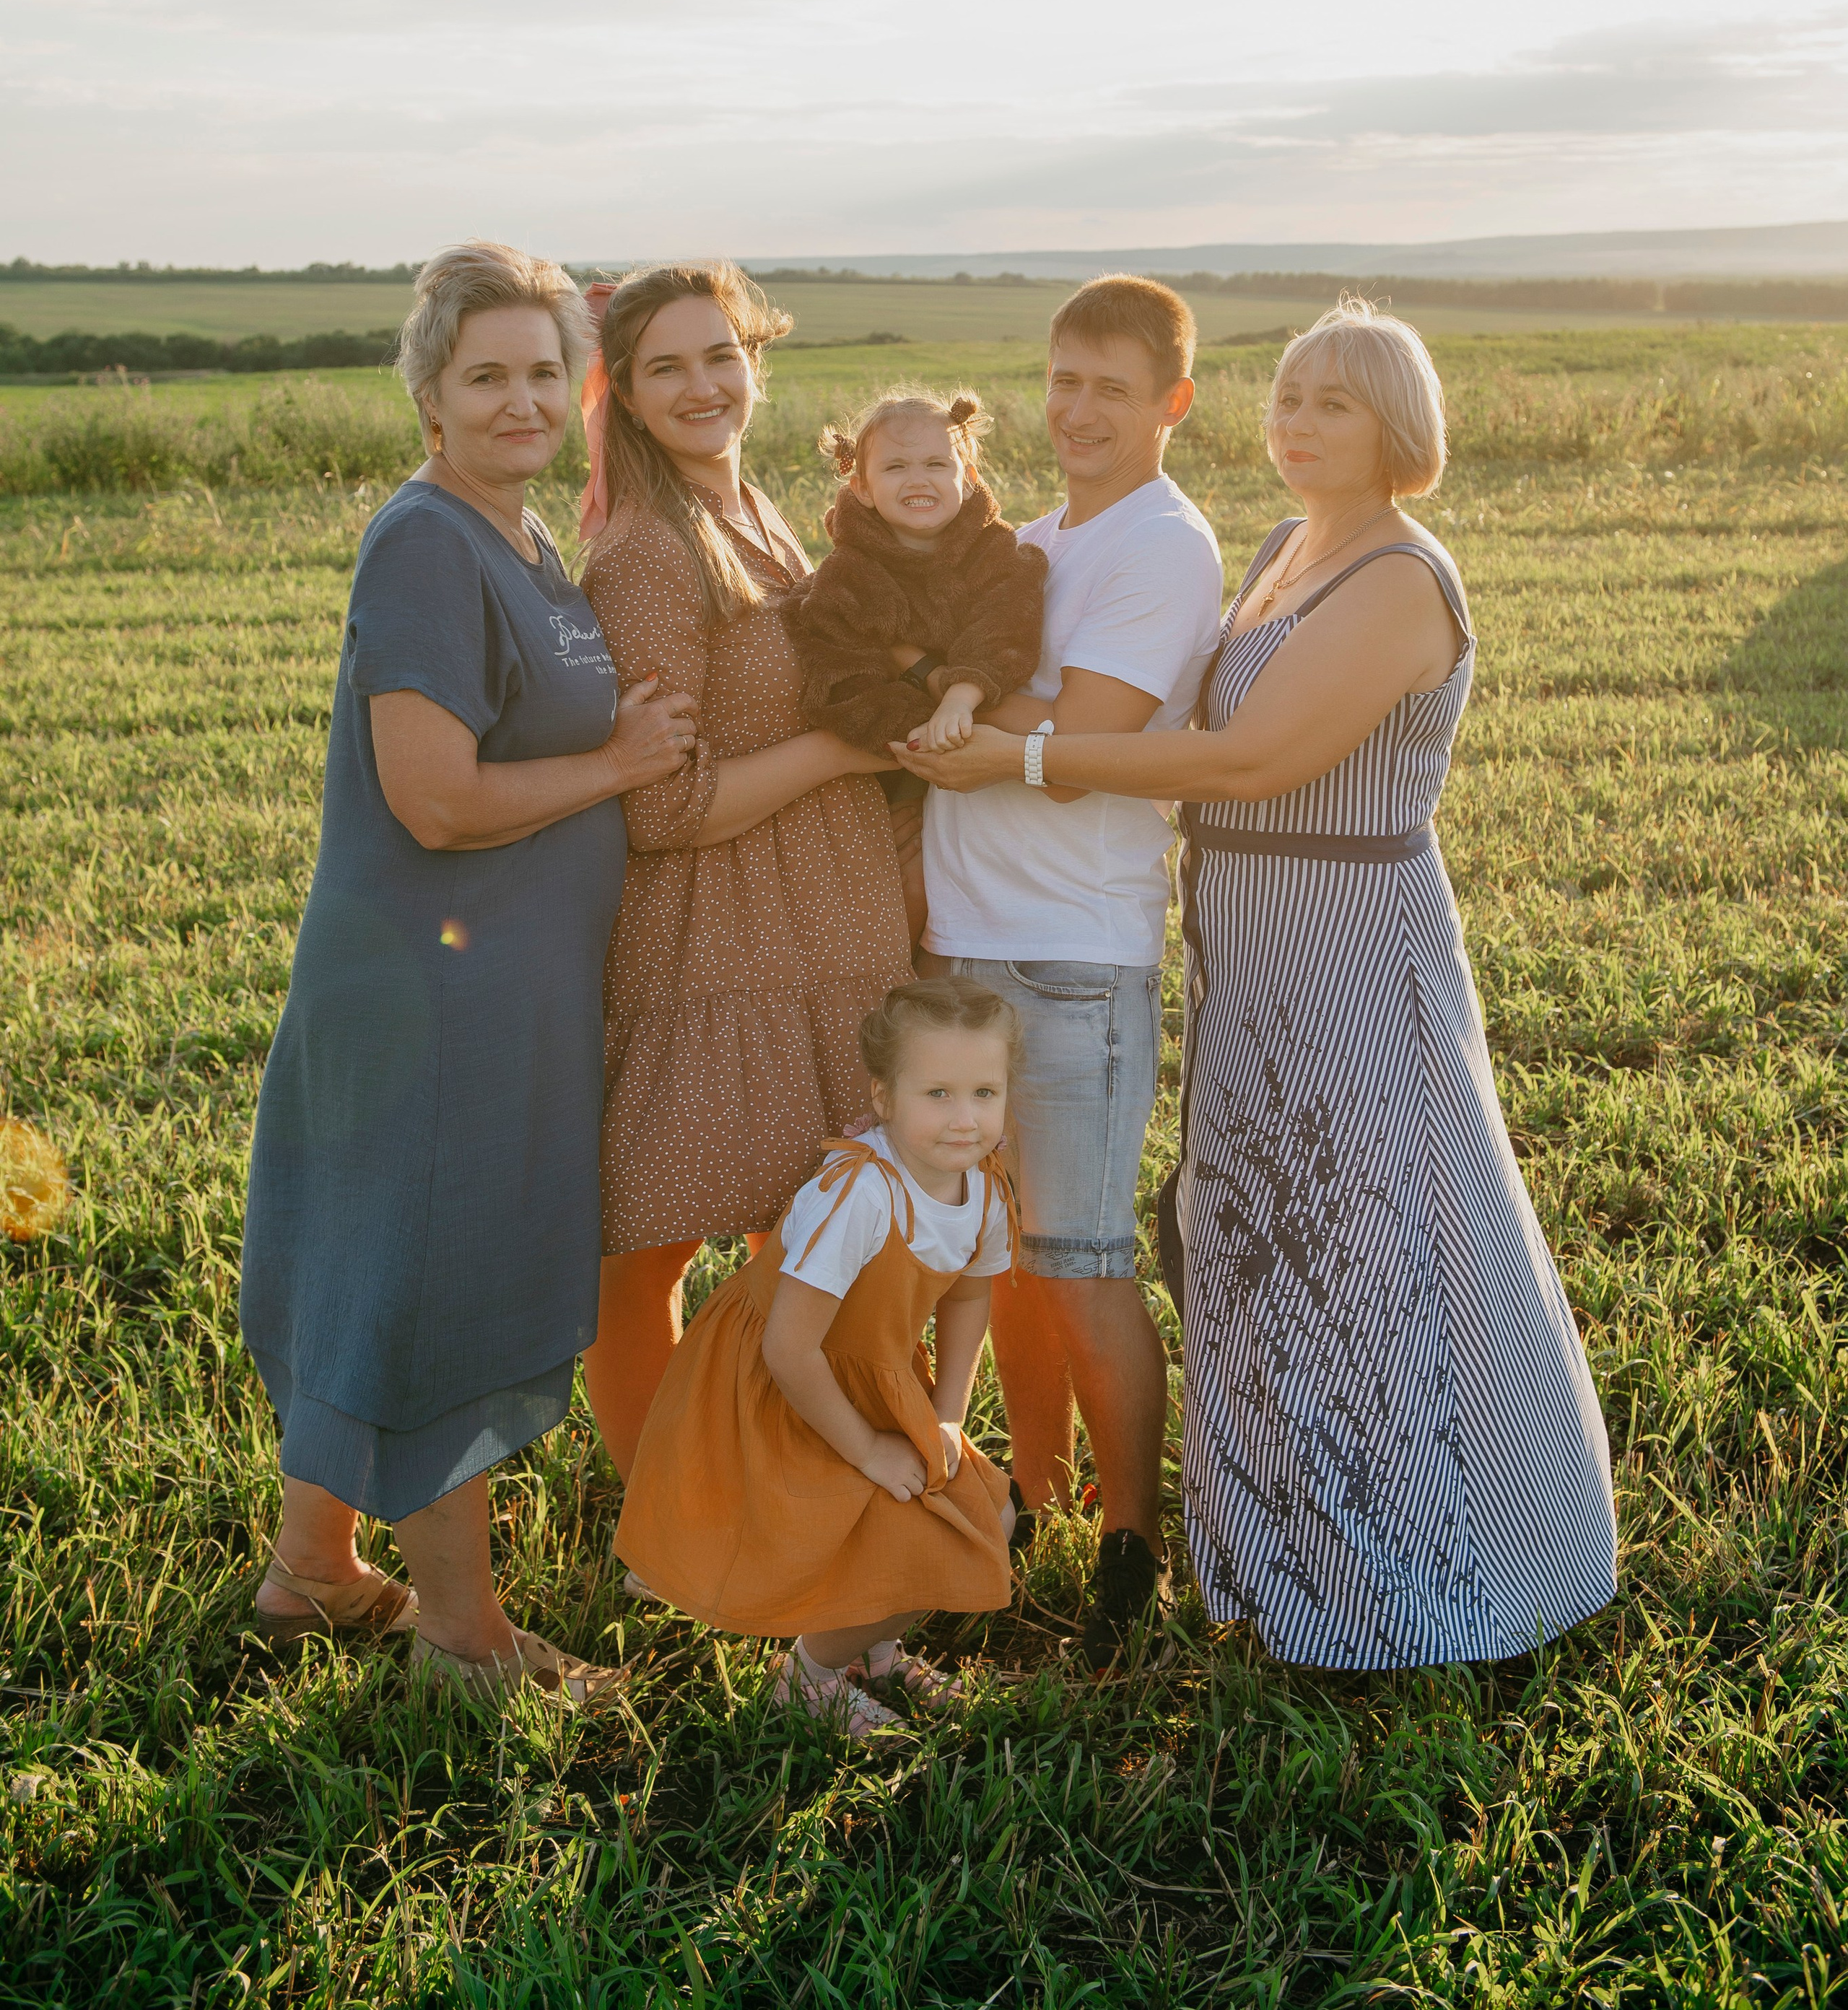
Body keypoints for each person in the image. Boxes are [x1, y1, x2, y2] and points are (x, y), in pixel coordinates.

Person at [907, 298, 1619, 1670]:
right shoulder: (1292, 548)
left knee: (1379, 1239)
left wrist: (1027, 759)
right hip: (1248, 937)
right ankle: (1280, 1559)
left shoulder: (1403, 576)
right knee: (1256, 1243)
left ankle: (1436, 1576)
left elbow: (1246, 762)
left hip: (1346, 931)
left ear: (1396, 427)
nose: (1296, 425)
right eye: (1287, 398)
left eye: (1332, 404)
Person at [240, 243, 698, 1706]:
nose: (520, 400)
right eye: (485, 374)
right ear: (428, 391)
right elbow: (432, 795)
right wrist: (618, 760)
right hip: (438, 996)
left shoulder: (516, 537)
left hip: (495, 990)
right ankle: (463, 1638)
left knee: (387, 1263)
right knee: (446, 1281)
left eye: (543, 373)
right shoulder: (429, 539)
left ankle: (312, 1569)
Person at [907, 275, 1225, 1667]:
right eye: (1062, 379)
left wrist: (971, 714)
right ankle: (1025, 1496)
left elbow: (1091, 723)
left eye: (1111, 385)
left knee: (1083, 1263)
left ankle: (1132, 1545)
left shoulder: (1163, 543)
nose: (1079, 409)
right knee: (1001, 1259)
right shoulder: (1030, 539)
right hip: (963, 950)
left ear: (1172, 399)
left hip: (1073, 958)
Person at [577, 263, 915, 1478]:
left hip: (832, 922)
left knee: (834, 1234)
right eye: (665, 365)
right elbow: (659, 802)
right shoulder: (647, 556)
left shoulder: (760, 511)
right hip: (717, 938)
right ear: (621, 389)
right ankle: (668, 1513)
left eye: (720, 355)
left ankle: (812, 1495)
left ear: (756, 361)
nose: (702, 384)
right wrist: (837, 747)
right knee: (649, 1247)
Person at [614, 977, 1019, 1738]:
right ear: (885, 1096)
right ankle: (811, 1673)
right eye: (937, 1092)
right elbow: (788, 1346)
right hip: (778, 1385)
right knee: (891, 1526)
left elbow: (967, 1297)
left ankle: (874, 1648)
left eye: (983, 1091)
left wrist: (948, 1414)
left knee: (983, 1511)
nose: (965, 1118)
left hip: (871, 1373)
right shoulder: (859, 1194)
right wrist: (867, 1448)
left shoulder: (985, 1189)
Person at [781, 388, 1046, 941]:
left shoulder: (998, 555)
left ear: (967, 475)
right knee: (903, 899)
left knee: (968, 892)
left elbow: (1005, 631)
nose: (917, 479)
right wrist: (920, 728)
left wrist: (962, 691)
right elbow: (838, 675)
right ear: (862, 487)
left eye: (936, 463)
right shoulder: (848, 577)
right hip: (888, 770)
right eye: (896, 466)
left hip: (988, 771)